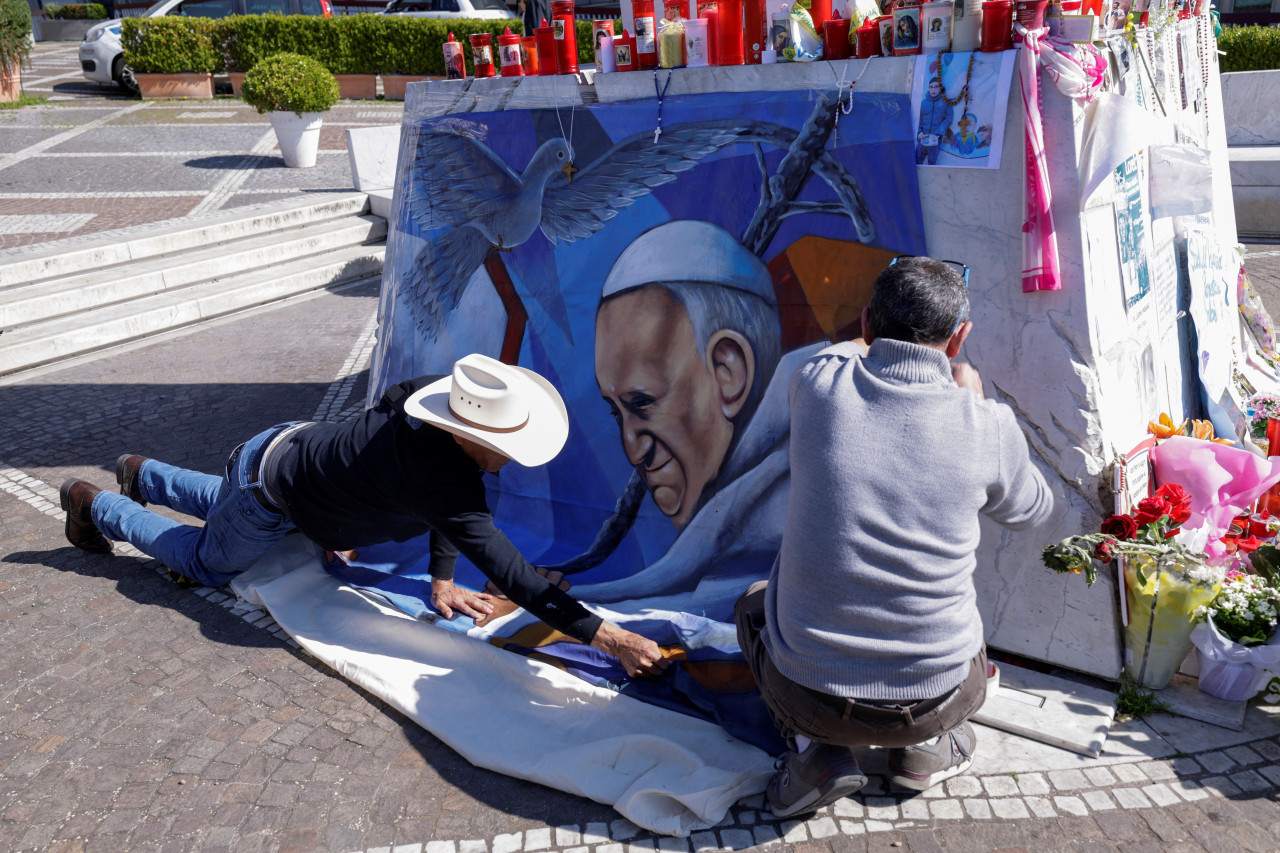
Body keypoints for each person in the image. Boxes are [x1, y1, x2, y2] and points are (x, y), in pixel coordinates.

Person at [58, 354, 671, 679]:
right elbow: (515, 575)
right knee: (204, 561)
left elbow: (422, 485)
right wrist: (611, 638)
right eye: (504, 447)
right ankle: (99, 505)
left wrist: (436, 575)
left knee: (226, 499)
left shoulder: (429, 395)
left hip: (280, 449)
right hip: (272, 498)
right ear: (464, 434)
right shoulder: (441, 480)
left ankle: (143, 472)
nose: (509, 460)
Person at [735, 256, 1054, 817]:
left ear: (865, 325)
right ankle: (924, 751)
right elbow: (1034, 510)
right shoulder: (986, 426)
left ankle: (817, 752)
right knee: (964, 634)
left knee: (752, 606)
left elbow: (845, 352)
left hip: (812, 695)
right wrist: (974, 400)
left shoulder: (816, 386)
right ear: (960, 339)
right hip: (939, 694)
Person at [546, 221, 824, 616]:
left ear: (730, 373)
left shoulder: (807, 504)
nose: (632, 448)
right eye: (616, 410)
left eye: (642, 402)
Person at [917, 77, 952, 165]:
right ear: (928, 88)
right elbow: (917, 119)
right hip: (922, 139)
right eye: (931, 87)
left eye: (936, 87)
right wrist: (919, 131)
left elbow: (948, 118)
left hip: (935, 140)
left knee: (932, 164)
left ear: (940, 88)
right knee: (916, 163)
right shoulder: (923, 103)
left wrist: (939, 132)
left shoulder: (946, 103)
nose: (933, 89)